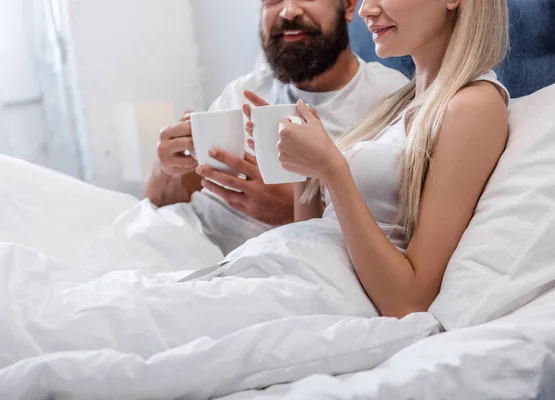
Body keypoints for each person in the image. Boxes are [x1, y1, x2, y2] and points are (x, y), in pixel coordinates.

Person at [4, 0, 510, 379]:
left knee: (82, 324)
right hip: (280, 263)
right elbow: (318, 228)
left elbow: (409, 300)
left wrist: (329, 168)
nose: (371, 7)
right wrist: (305, 168)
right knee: (79, 301)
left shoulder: (471, 106)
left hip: (313, 282)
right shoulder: (405, 102)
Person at [144, 0, 409, 255]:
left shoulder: (390, 101)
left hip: (263, 270)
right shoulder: (243, 91)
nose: (288, 11)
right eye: (272, 0)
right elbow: (163, 202)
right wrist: (166, 170)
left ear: (349, 6)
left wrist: (291, 209)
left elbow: (396, 239)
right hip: (174, 246)